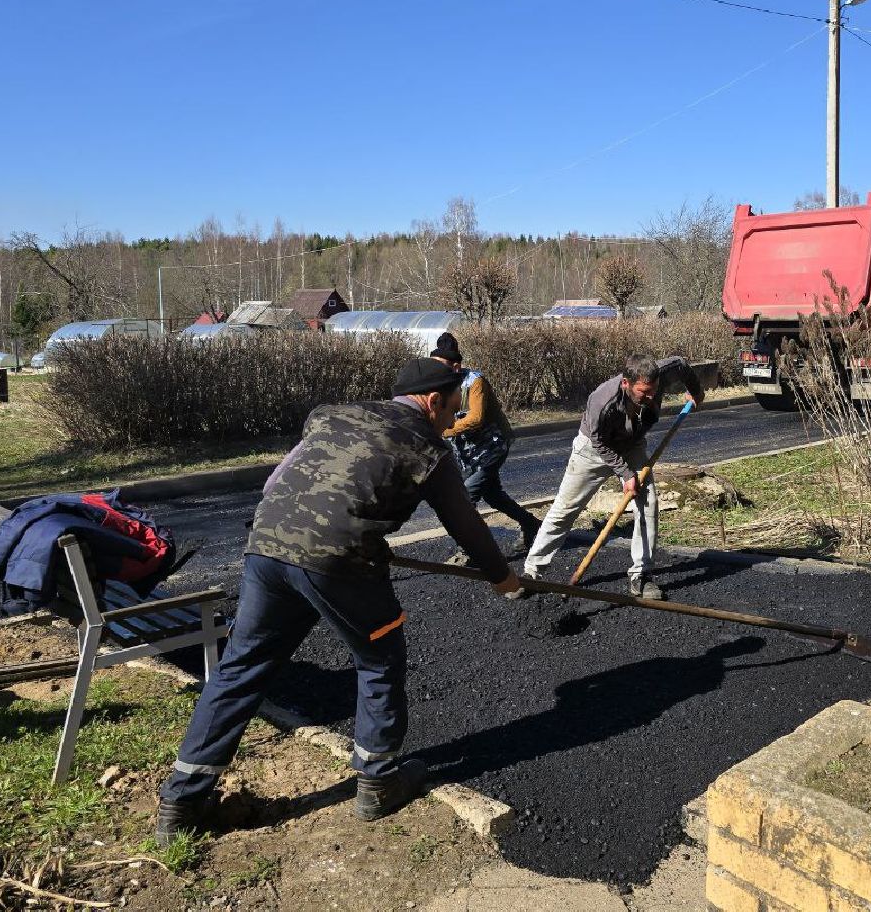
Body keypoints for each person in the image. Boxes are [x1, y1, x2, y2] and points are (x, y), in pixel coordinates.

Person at [155, 357, 521, 844]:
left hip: (266, 546)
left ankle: (182, 801)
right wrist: (500, 576)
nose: (453, 420)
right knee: (379, 660)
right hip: (339, 563)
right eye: (452, 409)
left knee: (241, 667)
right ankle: (379, 780)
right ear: (433, 402)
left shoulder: (333, 415)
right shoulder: (425, 444)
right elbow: (464, 522)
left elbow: (276, 483)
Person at [521, 353, 704, 600]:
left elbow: (682, 365)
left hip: (632, 445)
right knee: (564, 509)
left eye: (654, 391)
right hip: (593, 450)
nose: (651, 397)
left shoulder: (661, 373)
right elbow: (598, 441)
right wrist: (626, 474)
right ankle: (532, 572)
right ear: (626, 384)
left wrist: (696, 392)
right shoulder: (602, 399)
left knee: (648, 504)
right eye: (643, 393)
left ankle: (640, 575)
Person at [430, 332, 540, 552]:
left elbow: (476, 418)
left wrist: (444, 430)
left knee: (466, 500)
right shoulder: (440, 385)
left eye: (440, 365)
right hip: (469, 453)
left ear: (456, 366)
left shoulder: (475, 382)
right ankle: (532, 525)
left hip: (491, 448)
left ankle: (471, 552)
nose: (436, 371)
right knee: (494, 496)